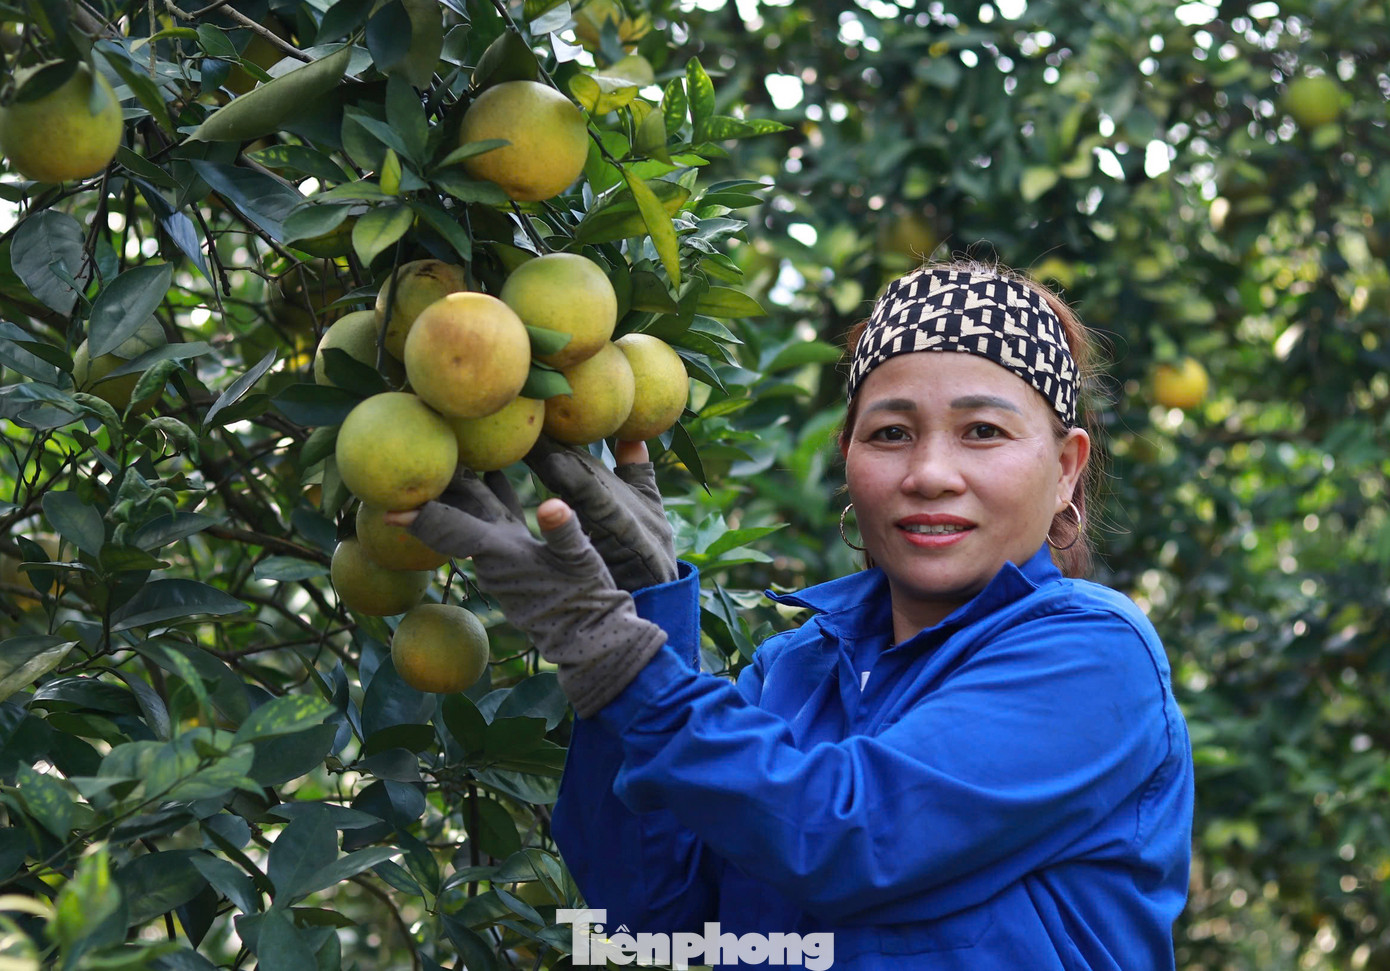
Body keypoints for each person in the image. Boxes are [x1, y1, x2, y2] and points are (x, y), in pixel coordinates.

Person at [388, 259, 1195, 970]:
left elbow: (848, 836)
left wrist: (612, 648)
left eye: (982, 430)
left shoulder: (1097, 656)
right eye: (891, 433)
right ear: (849, 459)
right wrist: (645, 604)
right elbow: (645, 918)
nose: (929, 472)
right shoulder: (793, 672)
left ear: (1066, 468)